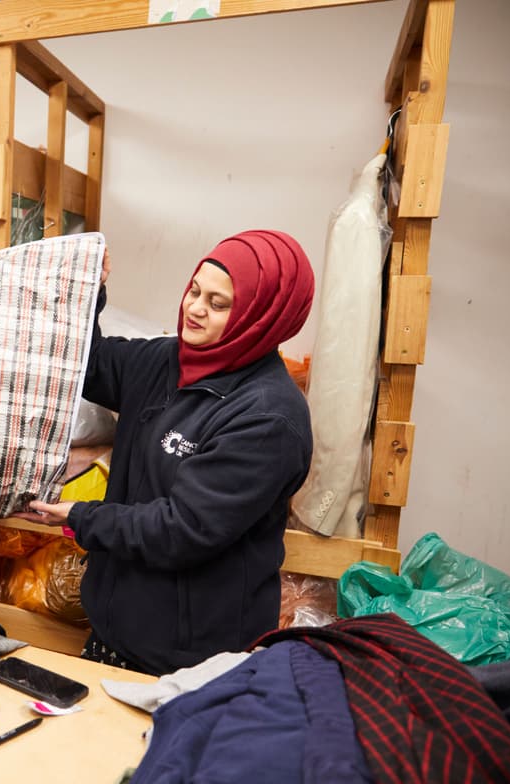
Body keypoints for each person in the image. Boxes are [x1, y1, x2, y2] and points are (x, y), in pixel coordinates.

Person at [17, 229, 315, 676]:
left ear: (260, 317)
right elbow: (86, 362)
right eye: (195, 290)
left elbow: (183, 529)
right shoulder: (166, 362)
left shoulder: (268, 419)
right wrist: (86, 289)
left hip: (191, 661)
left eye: (218, 304)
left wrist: (80, 516)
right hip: (115, 634)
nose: (195, 308)